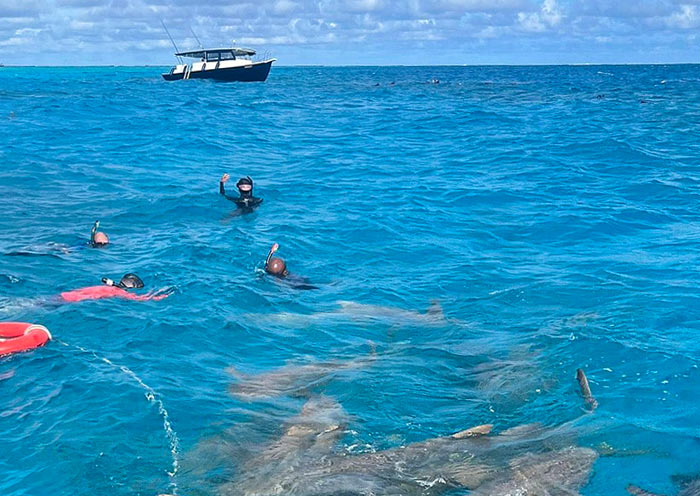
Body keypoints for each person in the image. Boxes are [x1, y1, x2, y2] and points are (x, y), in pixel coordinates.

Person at [59, 273, 173, 303]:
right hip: (72, 300)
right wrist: (158, 297)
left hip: (68, 295)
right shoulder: (120, 292)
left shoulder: (108, 287)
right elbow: (138, 299)